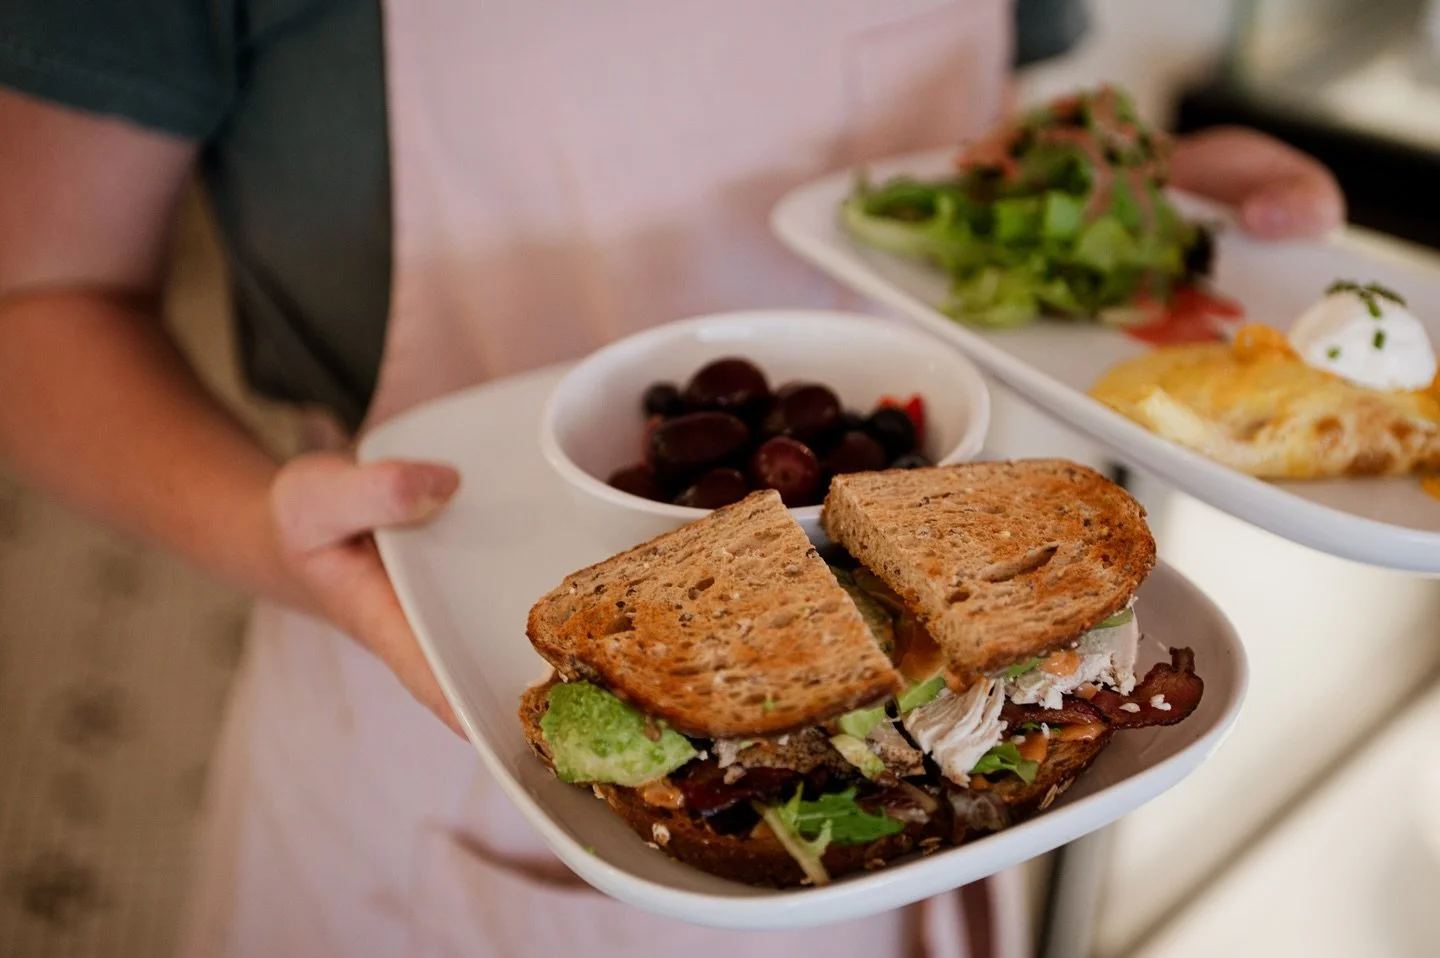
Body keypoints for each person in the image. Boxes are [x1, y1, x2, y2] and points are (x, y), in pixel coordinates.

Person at [0, 2, 1342, 956]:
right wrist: (263, 530)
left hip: (947, 725)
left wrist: (1104, 208)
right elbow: (38, 295)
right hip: (432, 695)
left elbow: (956, 131)